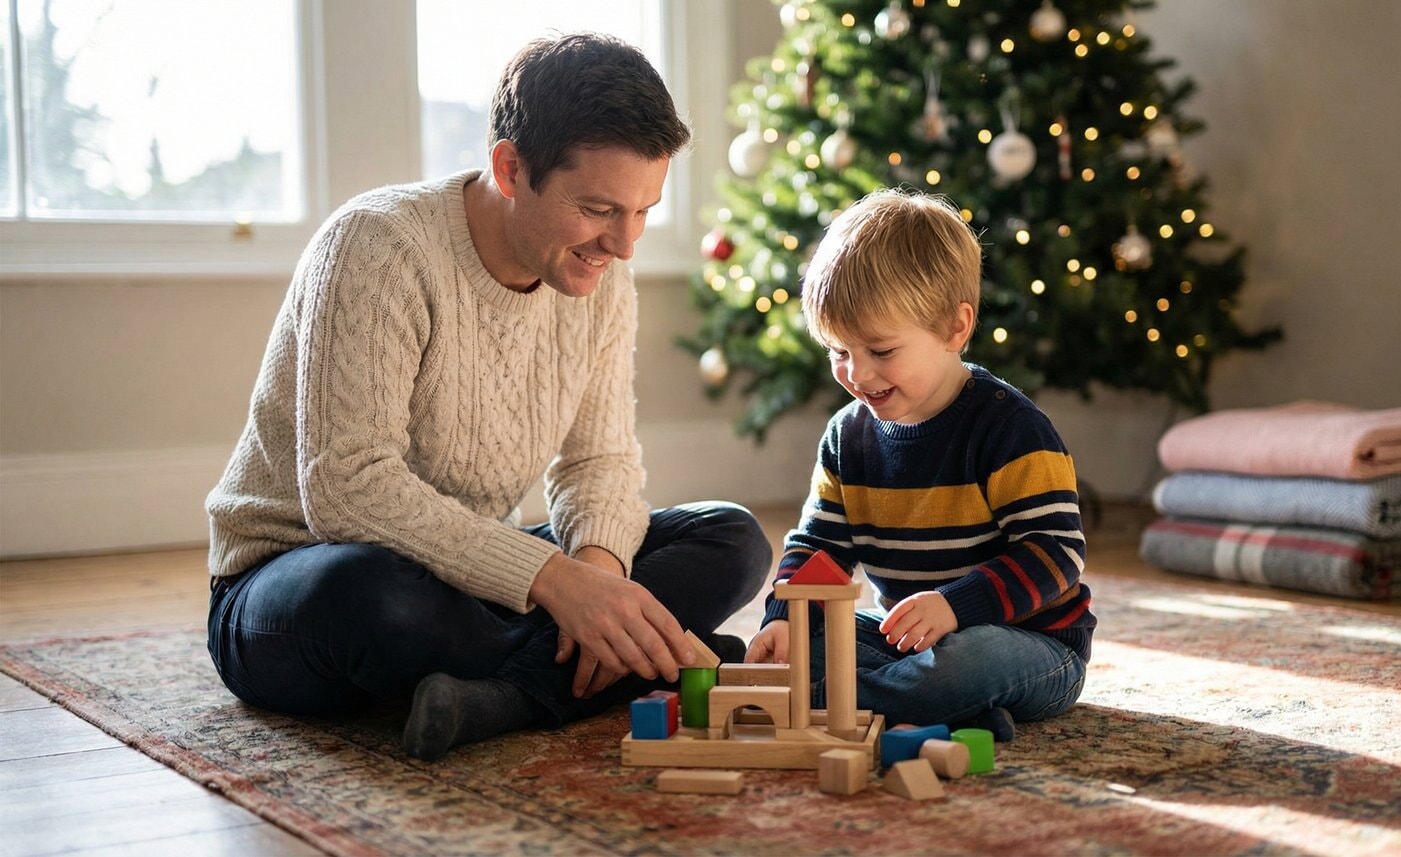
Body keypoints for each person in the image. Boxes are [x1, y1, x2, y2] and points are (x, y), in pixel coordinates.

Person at [205, 33, 771, 761]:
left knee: (729, 539)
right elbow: (345, 489)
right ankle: (627, 662)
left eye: (643, 211)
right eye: (599, 209)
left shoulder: (598, 280)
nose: (623, 244)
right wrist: (556, 583)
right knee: (379, 597)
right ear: (511, 167)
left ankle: (502, 697)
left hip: (472, 576)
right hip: (300, 577)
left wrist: (597, 576)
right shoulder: (378, 245)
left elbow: (597, 460)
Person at [744, 188, 1093, 742]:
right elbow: (819, 547)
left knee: (964, 663)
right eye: (839, 351)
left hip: (1027, 642)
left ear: (955, 329)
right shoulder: (846, 435)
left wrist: (956, 607)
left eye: (881, 352)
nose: (857, 375)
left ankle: (857, 698)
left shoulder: (1009, 428)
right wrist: (785, 619)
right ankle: (944, 709)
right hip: (904, 638)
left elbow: (1056, 554)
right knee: (813, 644)